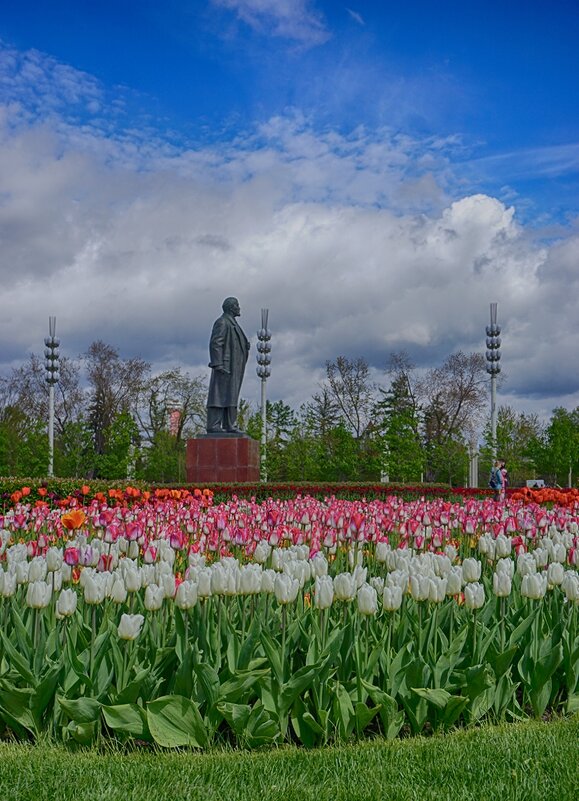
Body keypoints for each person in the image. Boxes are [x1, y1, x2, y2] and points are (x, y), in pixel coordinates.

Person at [206, 297, 250, 434]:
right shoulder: (222, 322)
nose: (239, 307)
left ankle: (230, 424)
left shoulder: (233, 323)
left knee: (231, 395)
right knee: (219, 396)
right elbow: (216, 343)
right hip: (225, 367)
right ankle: (214, 425)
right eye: (237, 305)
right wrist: (218, 364)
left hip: (235, 366)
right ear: (231, 307)